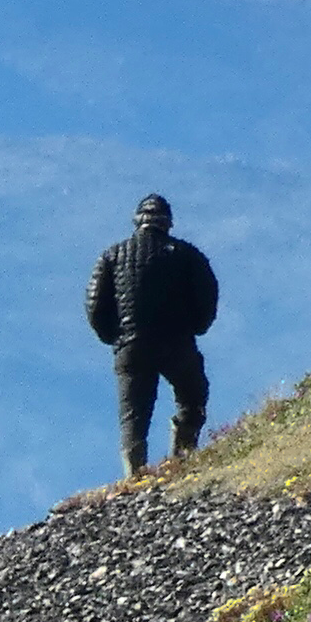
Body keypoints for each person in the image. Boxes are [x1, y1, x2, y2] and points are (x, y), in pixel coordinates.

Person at [85, 191, 220, 478]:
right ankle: (181, 457)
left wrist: (115, 336)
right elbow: (207, 296)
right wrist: (196, 327)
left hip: (131, 345)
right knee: (192, 396)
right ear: (168, 223)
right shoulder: (187, 255)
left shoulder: (112, 255)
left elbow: (95, 304)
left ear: (137, 222)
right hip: (177, 342)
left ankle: (134, 475)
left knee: (133, 413)